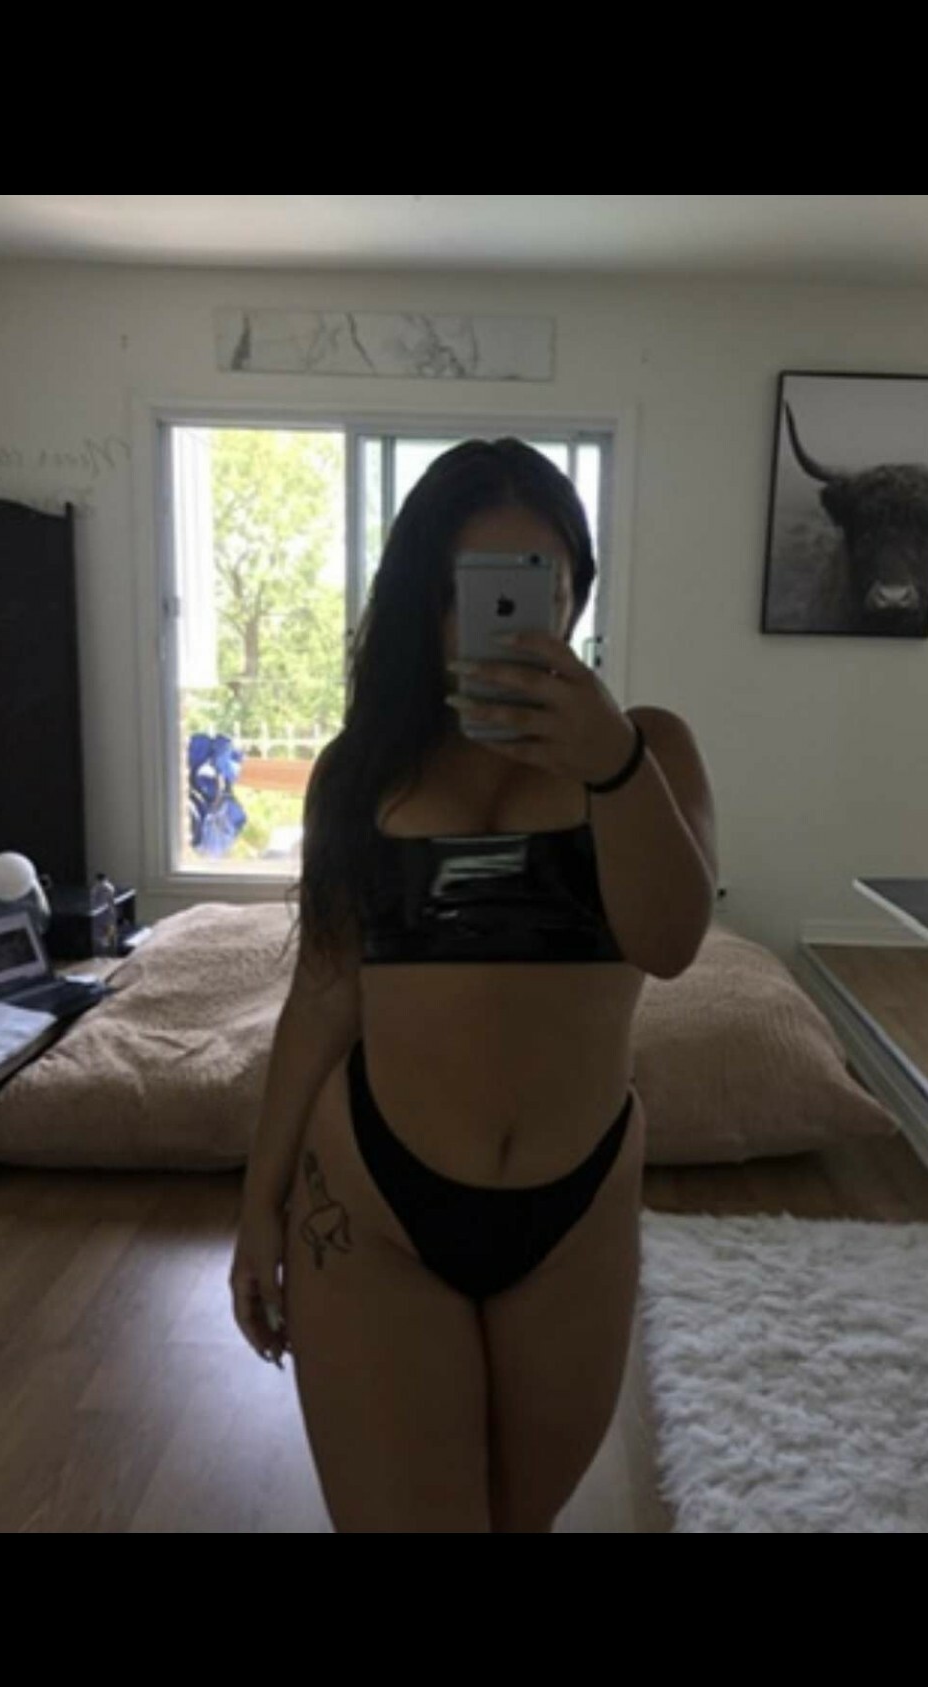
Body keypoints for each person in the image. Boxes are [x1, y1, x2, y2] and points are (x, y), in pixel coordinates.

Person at [229, 438, 718, 1533]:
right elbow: (324, 993)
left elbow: (673, 940)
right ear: (426, 602)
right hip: (374, 1201)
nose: (494, 617)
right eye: (465, 591)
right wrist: (257, 1204)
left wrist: (609, 765)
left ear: (575, 591)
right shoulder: (363, 770)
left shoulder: (650, 750)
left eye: (535, 582)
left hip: (577, 1209)